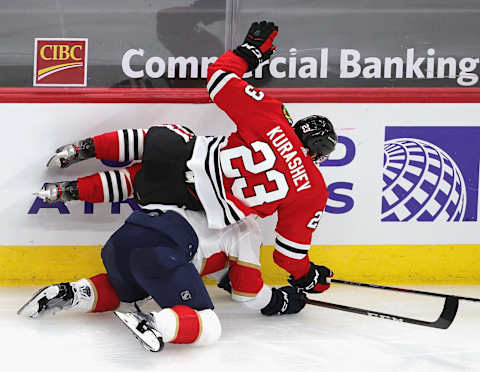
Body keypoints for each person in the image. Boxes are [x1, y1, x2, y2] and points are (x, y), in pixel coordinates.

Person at [36, 20, 337, 296]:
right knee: (135, 182)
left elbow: (219, 78)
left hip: (186, 154)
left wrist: (249, 52)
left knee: (155, 140)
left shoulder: (273, 119)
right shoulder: (312, 189)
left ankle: (82, 150)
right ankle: (69, 192)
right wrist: (310, 277)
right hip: (191, 201)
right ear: (318, 153)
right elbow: (288, 257)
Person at [18, 205, 308, 352]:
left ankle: (72, 292)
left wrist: (226, 278)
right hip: (161, 251)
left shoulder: (194, 188)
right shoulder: (247, 226)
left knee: (128, 291)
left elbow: (217, 263)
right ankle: (156, 323)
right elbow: (247, 293)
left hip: (125, 238)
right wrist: (281, 300)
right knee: (209, 326)